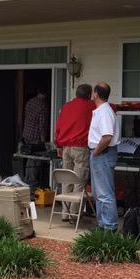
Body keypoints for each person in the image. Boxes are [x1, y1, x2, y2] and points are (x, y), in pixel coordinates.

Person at [53, 83, 95, 216]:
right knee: (79, 180)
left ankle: (65, 213)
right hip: (80, 148)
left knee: (67, 179)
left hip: (66, 148)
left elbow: (58, 127)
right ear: (89, 95)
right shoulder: (90, 105)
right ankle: (74, 213)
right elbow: (109, 107)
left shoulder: (67, 106)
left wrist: (58, 145)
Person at [88, 81, 121, 231]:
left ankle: (109, 227)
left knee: (105, 192)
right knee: (98, 192)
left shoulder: (105, 112)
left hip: (103, 154)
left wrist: (96, 151)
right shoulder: (102, 110)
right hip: (101, 154)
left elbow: (107, 137)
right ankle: (102, 224)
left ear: (96, 93)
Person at [21, 90, 49, 186]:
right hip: (35, 136)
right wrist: (43, 140)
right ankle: (32, 180)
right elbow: (42, 125)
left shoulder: (30, 102)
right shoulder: (42, 106)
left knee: (29, 157)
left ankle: (27, 178)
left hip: (26, 134)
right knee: (35, 159)